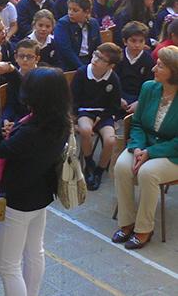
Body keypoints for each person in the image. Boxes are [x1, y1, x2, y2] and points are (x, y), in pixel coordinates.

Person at [0, 67, 72, 296]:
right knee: (34, 252)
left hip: (18, 201)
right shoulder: (60, 122)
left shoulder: (32, 130)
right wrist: (11, 71)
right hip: (40, 195)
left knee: (8, 266)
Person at [112, 45, 178, 250]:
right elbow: (137, 123)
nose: (153, 69)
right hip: (145, 145)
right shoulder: (149, 87)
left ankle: (144, 229)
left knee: (148, 173)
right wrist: (139, 148)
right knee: (122, 167)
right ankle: (127, 222)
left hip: (172, 154)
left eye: (159, 66)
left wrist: (151, 153)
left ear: (173, 73)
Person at [72, 42, 123, 190]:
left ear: (110, 65)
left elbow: (114, 105)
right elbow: (73, 99)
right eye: (96, 54)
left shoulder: (113, 79)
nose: (95, 59)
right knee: (86, 130)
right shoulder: (82, 72)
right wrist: (74, 117)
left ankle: (100, 170)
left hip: (104, 114)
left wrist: (103, 117)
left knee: (110, 140)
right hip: (85, 110)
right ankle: (89, 163)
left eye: (101, 59)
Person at [54, 0, 101, 71]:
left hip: (89, 61)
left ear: (86, 12)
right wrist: (82, 68)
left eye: (75, 10)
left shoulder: (93, 23)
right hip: (69, 63)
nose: (70, 13)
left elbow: (98, 46)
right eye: (69, 9)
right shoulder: (63, 24)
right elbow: (66, 50)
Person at [116, 21, 154, 115]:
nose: (137, 45)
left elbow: (150, 85)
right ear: (125, 41)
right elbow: (113, 81)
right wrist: (119, 98)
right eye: (133, 41)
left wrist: (139, 102)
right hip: (120, 97)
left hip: (139, 98)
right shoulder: (118, 58)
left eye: (141, 41)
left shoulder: (148, 60)